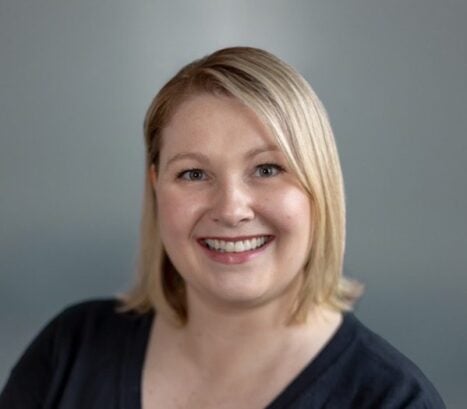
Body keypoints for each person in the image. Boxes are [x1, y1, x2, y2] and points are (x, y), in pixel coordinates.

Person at [0, 47, 445, 409]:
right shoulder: (72, 350)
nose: (231, 209)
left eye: (268, 169)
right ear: (156, 187)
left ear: (319, 187)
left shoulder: (392, 400)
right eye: (193, 174)